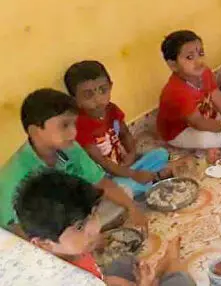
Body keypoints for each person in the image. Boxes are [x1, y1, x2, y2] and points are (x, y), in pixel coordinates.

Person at [0, 89, 147, 235]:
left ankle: (88, 234)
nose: (73, 132)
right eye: (64, 125)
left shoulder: (71, 148)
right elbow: (17, 230)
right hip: (45, 233)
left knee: (124, 193)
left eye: (73, 124)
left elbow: (102, 183)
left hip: (72, 217)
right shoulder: (15, 176)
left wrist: (133, 209)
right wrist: (69, 244)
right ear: (35, 131)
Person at [15, 170, 194, 285]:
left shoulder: (69, 253)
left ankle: (161, 271)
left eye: (92, 214)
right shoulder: (67, 279)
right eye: (79, 226)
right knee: (181, 281)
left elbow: (100, 276)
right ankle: (168, 266)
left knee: (122, 262)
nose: (95, 227)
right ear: (44, 244)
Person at [65, 60, 171, 197]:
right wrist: (134, 174)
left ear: (110, 87)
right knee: (121, 190)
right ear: (74, 100)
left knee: (160, 154)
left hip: (125, 167)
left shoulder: (111, 109)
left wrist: (131, 154)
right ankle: (150, 182)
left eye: (103, 90)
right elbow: (102, 162)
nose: (98, 99)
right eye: (88, 95)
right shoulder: (79, 125)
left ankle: (146, 182)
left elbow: (125, 134)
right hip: (107, 179)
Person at [156, 30, 221, 163]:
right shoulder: (176, 91)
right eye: (190, 57)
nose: (199, 61)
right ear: (173, 65)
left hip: (204, 116)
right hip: (180, 131)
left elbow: (217, 97)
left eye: (201, 54)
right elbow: (197, 122)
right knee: (216, 138)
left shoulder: (204, 72)